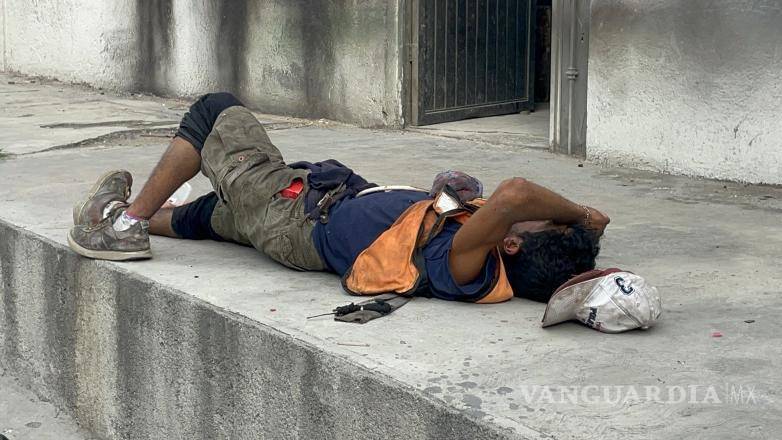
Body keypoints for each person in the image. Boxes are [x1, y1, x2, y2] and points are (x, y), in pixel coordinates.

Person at [68, 93, 609, 304]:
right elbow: (510, 212)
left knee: (215, 113)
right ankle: (135, 217)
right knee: (207, 216)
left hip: (296, 214)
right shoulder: (485, 258)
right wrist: (581, 245)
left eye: (541, 223)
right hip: (298, 220)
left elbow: (516, 194)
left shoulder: (473, 267)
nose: (541, 212)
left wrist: (582, 215)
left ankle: (122, 226)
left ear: (511, 243)